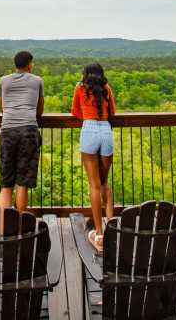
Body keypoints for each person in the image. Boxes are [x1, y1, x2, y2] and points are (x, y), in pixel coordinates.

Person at [71, 62, 115, 252]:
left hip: (88, 129)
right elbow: (112, 111)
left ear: (86, 74)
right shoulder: (106, 88)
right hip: (106, 130)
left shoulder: (80, 87)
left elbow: (75, 111)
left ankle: (99, 233)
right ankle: (112, 229)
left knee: (94, 185)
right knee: (105, 183)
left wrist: (87, 117)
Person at [0, 50, 44, 214]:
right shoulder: (37, 81)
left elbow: (2, 107)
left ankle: (2, 228)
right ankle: (19, 226)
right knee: (22, 182)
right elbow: (40, 110)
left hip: (7, 130)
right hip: (28, 131)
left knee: (6, 183)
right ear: (29, 64)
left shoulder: (3, 81)